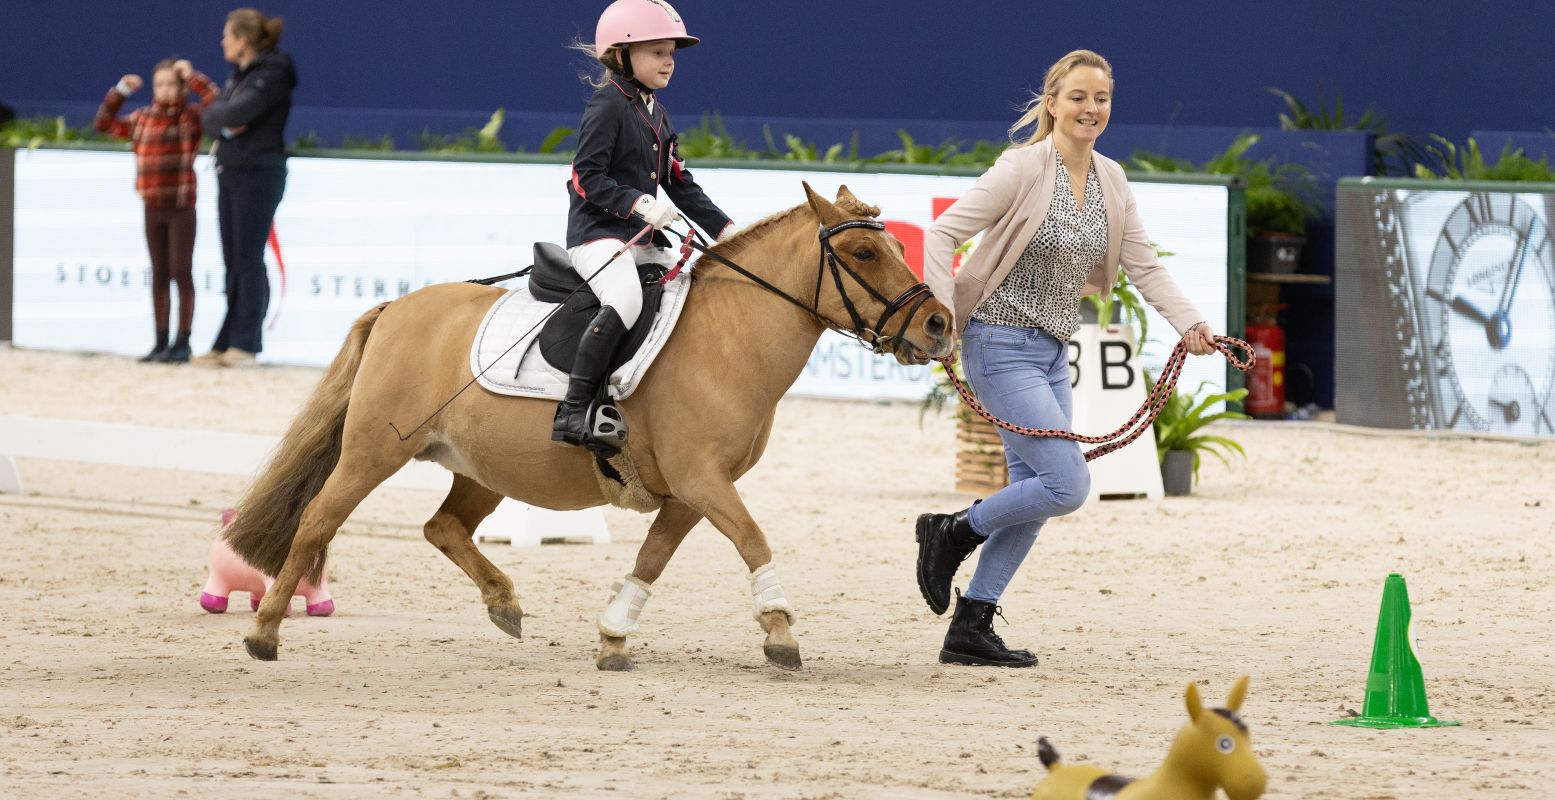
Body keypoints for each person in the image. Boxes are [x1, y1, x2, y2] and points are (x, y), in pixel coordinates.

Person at [916, 50, 1219, 668]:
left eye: (1101, 99)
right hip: (998, 342)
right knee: (1067, 484)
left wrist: (1192, 325)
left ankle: (971, 625)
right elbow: (943, 233)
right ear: (1051, 102)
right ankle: (951, 531)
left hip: (1053, 349)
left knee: (1035, 489)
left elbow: (1144, 264)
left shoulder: (1112, 178)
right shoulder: (1021, 168)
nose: (1091, 109)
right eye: (1078, 97)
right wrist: (941, 322)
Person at [554, 0, 735, 454]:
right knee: (627, 299)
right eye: (656, 52)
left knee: (693, 297)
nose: (669, 61)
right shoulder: (608, 104)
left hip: (644, 239)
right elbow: (586, 177)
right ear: (622, 54)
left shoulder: (657, 112)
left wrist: (728, 231)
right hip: (598, 235)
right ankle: (574, 410)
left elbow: (679, 182)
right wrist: (638, 203)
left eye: (671, 51)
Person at [94, 58, 218, 363]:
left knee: (180, 270)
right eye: (159, 84)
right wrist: (120, 91)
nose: (164, 90)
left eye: (171, 84)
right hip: (152, 206)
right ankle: (160, 340)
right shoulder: (142, 118)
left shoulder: (191, 118)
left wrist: (193, 76)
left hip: (180, 206)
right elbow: (104, 123)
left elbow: (217, 105)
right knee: (160, 273)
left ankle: (182, 341)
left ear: (182, 88)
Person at [193, 7, 296, 368]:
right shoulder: (241, 74)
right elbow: (212, 116)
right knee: (233, 260)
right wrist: (225, 120)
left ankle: (247, 344)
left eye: (226, 35)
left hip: (259, 171)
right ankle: (226, 340)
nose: (222, 41)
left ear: (243, 39)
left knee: (249, 257)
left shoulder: (274, 71)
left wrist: (227, 117)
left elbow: (234, 114)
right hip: (231, 169)